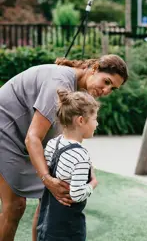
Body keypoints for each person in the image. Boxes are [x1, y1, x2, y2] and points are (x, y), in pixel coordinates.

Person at [0, 54, 128, 241]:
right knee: (15, 205)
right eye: (106, 81)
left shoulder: (78, 92)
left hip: (23, 135)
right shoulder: (59, 83)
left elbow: (62, 136)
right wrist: (47, 178)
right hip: (5, 130)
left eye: (113, 88)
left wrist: (84, 166)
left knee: (46, 201)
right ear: (94, 69)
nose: (107, 90)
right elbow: (33, 137)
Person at [37, 89, 99, 241]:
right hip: (68, 228)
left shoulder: (53, 142)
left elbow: (48, 168)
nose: (97, 124)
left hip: (47, 221)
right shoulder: (81, 155)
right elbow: (76, 194)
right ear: (80, 120)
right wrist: (93, 184)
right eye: (94, 119)